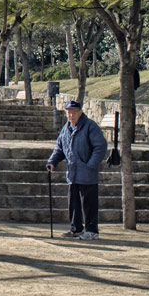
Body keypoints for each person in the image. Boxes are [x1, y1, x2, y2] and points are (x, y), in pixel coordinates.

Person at [47, 100, 108, 240]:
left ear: (80, 112)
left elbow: (100, 147)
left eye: (74, 112)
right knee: (73, 203)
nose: (71, 115)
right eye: (68, 112)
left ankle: (92, 230)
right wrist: (52, 161)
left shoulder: (90, 126)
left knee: (89, 203)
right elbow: (60, 148)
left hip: (87, 173)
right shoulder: (66, 128)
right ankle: (76, 228)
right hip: (72, 173)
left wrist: (91, 165)